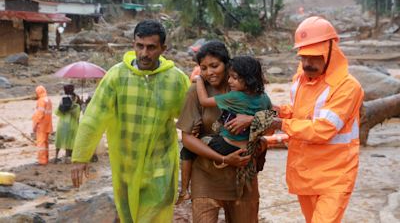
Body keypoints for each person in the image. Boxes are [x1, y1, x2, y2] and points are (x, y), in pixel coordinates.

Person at [70, 20, 191, 222]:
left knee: (155, 213)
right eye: (139, 46)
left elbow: (191, 119)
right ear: (133, 45)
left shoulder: (176, 80)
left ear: (163, 48)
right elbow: (94, 117)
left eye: (151, 47)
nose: (144, 53)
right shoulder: (116, 76)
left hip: (161, 165)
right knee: (127, 215)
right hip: (126, 165)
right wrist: (80, 157)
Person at [271, 16, 364, 223]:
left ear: (331, 51)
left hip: (334, 177)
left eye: (314, 57)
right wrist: (279, 111)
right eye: (303, 57)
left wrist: (281, 124)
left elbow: (324, 128)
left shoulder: (348, 87)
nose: (307, 63)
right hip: (305, 172)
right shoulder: (301, 78)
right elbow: (301, 113)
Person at [176, 41, 259, 223]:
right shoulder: (196, 92)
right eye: (203, 68)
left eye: (214, 66)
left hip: (242, 176)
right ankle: (184, 191)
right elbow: (187, 139)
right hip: (206, 175)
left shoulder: (245, 89)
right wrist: (222, 159)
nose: (209, 73)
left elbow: (271, 122)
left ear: (227, 64)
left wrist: (252, 119)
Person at [54, 85, 81, 164]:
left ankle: (56, 157)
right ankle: (66, 157)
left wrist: (63, 108)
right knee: (69, 141)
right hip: (72, 125)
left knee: (59, 140)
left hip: (62, 124)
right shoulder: (76, 105)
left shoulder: (63, 101)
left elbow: (57, 112)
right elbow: (77, 116)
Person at [32, 85, 53, 165]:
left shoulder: (41, 101)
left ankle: (42, 161)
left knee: (41, 144)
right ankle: (46, 159)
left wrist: (35, 125)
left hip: (41, 126)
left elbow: (39, 115)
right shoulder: (48, 100)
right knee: (45, 143)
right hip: (48, 125)